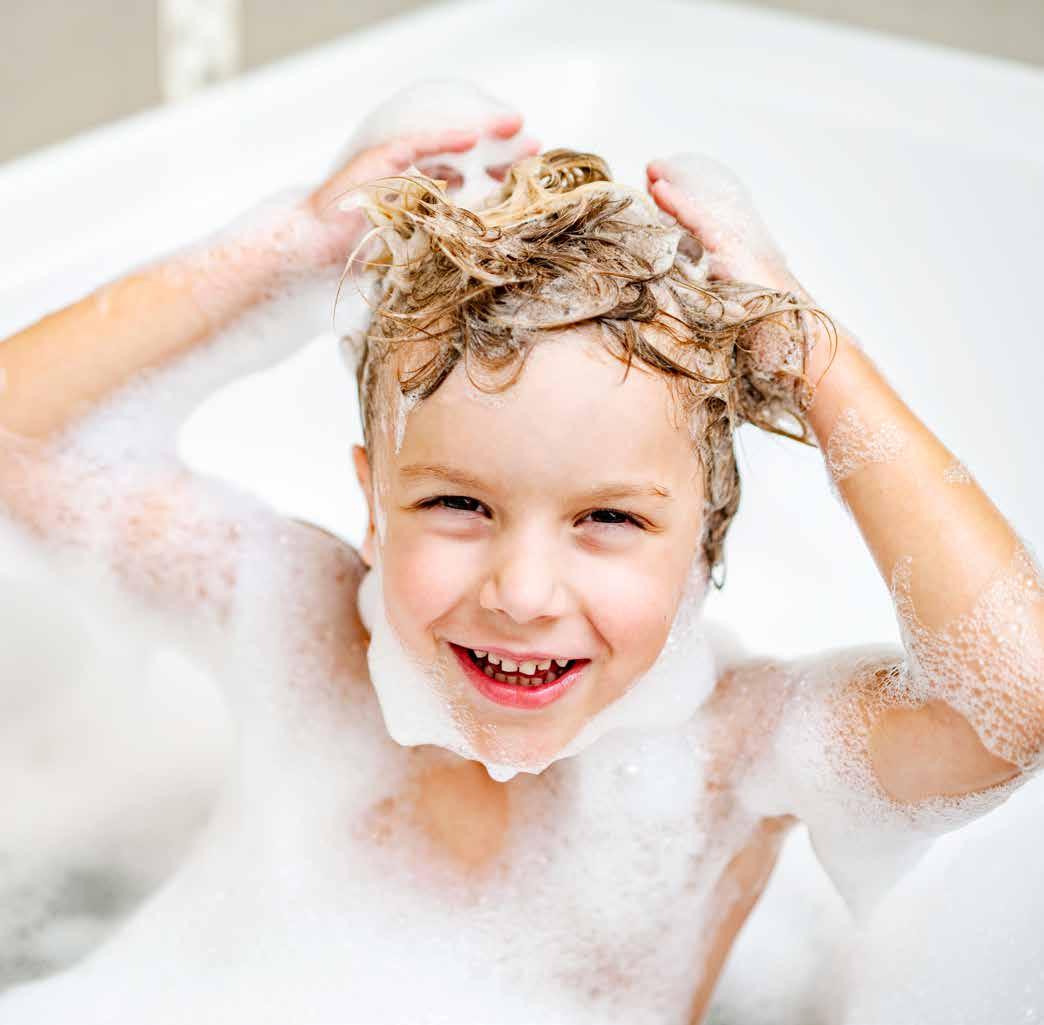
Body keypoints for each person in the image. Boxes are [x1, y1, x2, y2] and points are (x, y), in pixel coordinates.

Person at [0, 90, 1041, 1025]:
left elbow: (1012, 699)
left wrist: (813, 356)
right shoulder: (304, 627)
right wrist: (286, 250)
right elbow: (19, 440)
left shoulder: (729, 752)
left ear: (706, 541)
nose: (524, 592)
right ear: (373, 505)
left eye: (609, 519)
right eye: (458, 503)